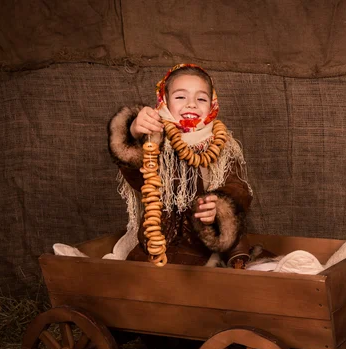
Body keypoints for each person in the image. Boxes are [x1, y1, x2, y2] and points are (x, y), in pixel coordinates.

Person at [107, 64, 252, 268]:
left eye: (201, 99)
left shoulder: (223, 143)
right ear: (164, 101)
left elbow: (239, 188)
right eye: (180, 97)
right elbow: (138, 179)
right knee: (140, 271)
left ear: (212, 105)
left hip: (203, 236)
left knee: (222, 260)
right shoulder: (154, 138)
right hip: (161, 233)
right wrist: (133, 133)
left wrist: (219, 206)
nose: (191, 105)